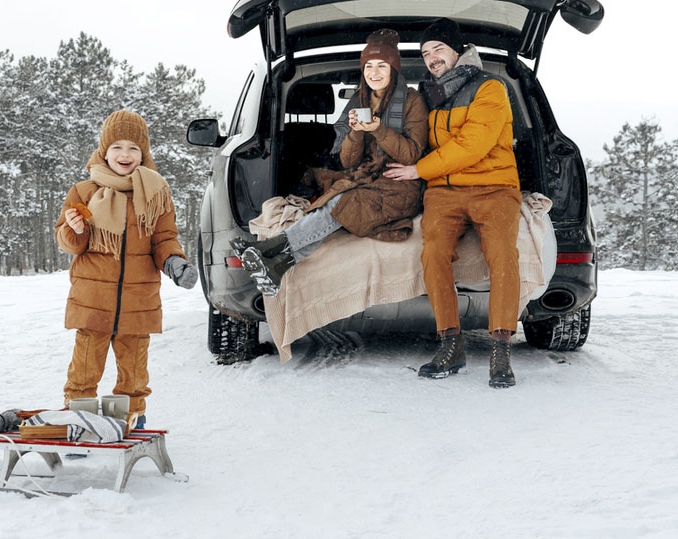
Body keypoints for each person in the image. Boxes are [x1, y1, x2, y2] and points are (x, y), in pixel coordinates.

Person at [231, 28, 428, 297]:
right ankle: (277, 267)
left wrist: (378, 129)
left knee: (341, 204)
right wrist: (357, 131)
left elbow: (412, 154)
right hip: (365, 177)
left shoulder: (413, 101)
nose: (374, 72)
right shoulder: (359, 101)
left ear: (394, 67)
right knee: (330, 203)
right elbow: (348, 161)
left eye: (382, 65)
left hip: (401, 183)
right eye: (369, 65)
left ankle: (269, 249)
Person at [384, 18, 522, 388]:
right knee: (433, 254)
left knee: (503, 254)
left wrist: (418, 170)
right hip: (444, 192)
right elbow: (409, 136)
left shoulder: (491, 88)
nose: (431, 58)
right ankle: (450, 342)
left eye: (438, 50)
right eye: (426, 53)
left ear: (458, 51)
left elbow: (473, 145)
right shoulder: (427, 95)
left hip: (494, 187)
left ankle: (501, 346)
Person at [56, 109, 197, 427]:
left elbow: (164, 238)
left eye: (134, 148)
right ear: (104, 151)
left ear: (143, 153)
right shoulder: (84, 192)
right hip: (92, 298)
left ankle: (130, 419)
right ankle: (81, 422)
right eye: (117, 146)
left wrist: (174, 261)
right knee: (85, 367)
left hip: (138, 299)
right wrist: (75, 230)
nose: (125, 154)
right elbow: (69, 242)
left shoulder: (156, 193)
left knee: (134, 369)